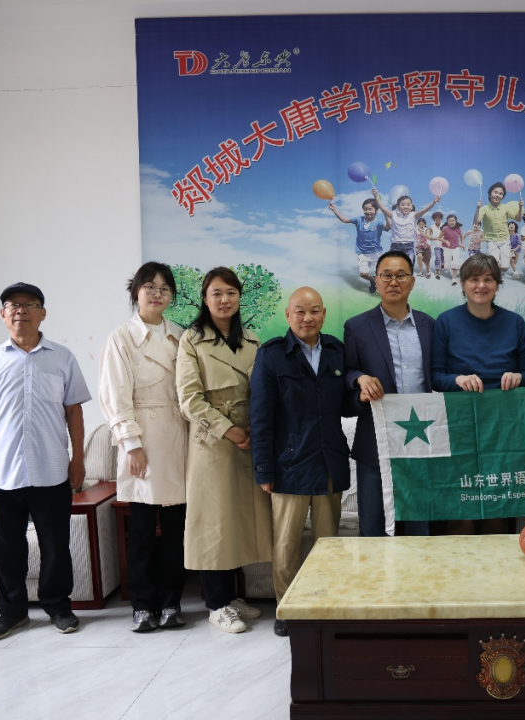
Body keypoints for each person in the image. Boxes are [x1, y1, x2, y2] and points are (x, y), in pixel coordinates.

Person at [0, 282, 92, 640]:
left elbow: (74, 411)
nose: (20, 310)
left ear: (42, 313)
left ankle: (58, 607)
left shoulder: (62, 357)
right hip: (3, 472)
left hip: (51, 469)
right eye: (13, 305)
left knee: (56, 546)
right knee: (6, 547)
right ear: (3, 314)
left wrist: (78, 459)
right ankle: (12, 612)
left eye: (29, 304)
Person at [250, 287, 363, 637]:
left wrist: (362, 397)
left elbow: (343, 406)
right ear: (288, 315)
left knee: (328, 542)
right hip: (289, 463)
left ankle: (325, 604)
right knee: (286, 543)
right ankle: (287, 608)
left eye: (314, 311)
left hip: (329, 459)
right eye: (300, 311)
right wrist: (264, 469)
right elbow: (260, 417)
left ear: (324, 314)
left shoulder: (335, 350)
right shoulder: (271, 355)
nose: (307, 318)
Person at [176, 267, 271, 634]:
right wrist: (228, 430)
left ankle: (232, 597)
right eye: (216, 293)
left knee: (239, 520)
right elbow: (189, 399)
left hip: (249, 436)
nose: (224, 300)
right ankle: (216, 604)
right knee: (214, 521)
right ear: (205, 299)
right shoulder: (191, 339)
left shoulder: (252, 339)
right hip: (213, 441)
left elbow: (263, 389)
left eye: (231, 292)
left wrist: (255, 429)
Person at [98, 262, 189, 633]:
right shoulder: (121, 338)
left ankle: (171, 602)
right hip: (141, 441)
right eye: (150, 286)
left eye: (164, 288)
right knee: (141, 532)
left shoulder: (181, 335)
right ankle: (142, 605)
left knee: (175, 530)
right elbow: (115, 396)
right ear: (135, 291)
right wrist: (132, 444)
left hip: (178, 438)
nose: (157, 293)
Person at [432, 253, 525, 534]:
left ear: (497, 284)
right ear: (463, 284)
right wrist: (458, 379)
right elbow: (436, 376)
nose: (481, 286)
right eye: (474, 279)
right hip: (460, 426)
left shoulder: (515, 323)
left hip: (504, 426)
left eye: (488, 279)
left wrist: (518, 377)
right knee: (461, 505)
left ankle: (497, 561)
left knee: (497, 503)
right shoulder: (446, 322)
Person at [343, 250, 434, 538]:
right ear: (376, 280)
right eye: (386, 275)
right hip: (376, 440)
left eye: (401, 275)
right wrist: (359, 380)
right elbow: (346, 372)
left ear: (412, 281)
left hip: (421, 439)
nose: (393, 282)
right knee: (373, 530)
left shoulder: (429, 325)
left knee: (420, 528)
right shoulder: (356, 327)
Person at [329, 197, 389, 294]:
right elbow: (344, 220)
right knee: (363, 274)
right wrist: (334, 209)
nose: (368, 211)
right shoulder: (359, 220)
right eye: (365, 209)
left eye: (370, 209)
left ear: (376, 210)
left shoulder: (378, 222)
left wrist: (386, 214)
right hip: (362, 253)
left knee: (381, 274)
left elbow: (388, 227)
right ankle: (373, 281)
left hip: (376, 253)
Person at [372, 189, 439, 265]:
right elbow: (383, 208)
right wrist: (376, 196)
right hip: (395, 247)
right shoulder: (394, 215)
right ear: (398, 206)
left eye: (408, 205)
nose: (406, 207)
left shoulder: (413, 216)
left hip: (409, 247)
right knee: (395, 267)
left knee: (409, 266)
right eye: (403, 205)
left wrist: (434, 202)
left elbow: (425, 210)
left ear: (411, 206)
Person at [472, 181, 522, 274]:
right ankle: (492, 270)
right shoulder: (484, 208)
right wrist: (478, 208)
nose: (497, 195)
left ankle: (497, 270)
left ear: (502, 196)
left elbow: (518, 219)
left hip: (505, 241)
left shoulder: (505, 207)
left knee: (505, 267)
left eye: (500, 193)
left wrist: (520, 208)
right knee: (494, 264)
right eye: (495, 192)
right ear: (490, 193)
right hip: (491, 241)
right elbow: (476, 221)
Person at [440, 214, 464, 285]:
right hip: (447, 248)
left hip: (456, 247)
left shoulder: (458, 229)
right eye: (449, 221)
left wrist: (462, 244)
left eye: (453, 221)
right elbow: (439, 237)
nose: (451, 222)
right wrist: (445, 241)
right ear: (447, 222)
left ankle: (454, 279)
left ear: (456, 221)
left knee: (455, 262)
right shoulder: (445, 229)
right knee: (447, 264)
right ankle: (448, 267)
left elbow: (461, 236)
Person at [429, 211, 445, 280]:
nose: (438, 219)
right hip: (437, 245)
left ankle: (442, 264)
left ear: (441, 218)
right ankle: (437, 272)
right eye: (436, 218)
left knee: (443, 257)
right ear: (434, 219)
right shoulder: (432, 227)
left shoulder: (445, 225)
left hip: (444, 245)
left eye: (439, 218)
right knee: (438, 258)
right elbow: (428, 235)